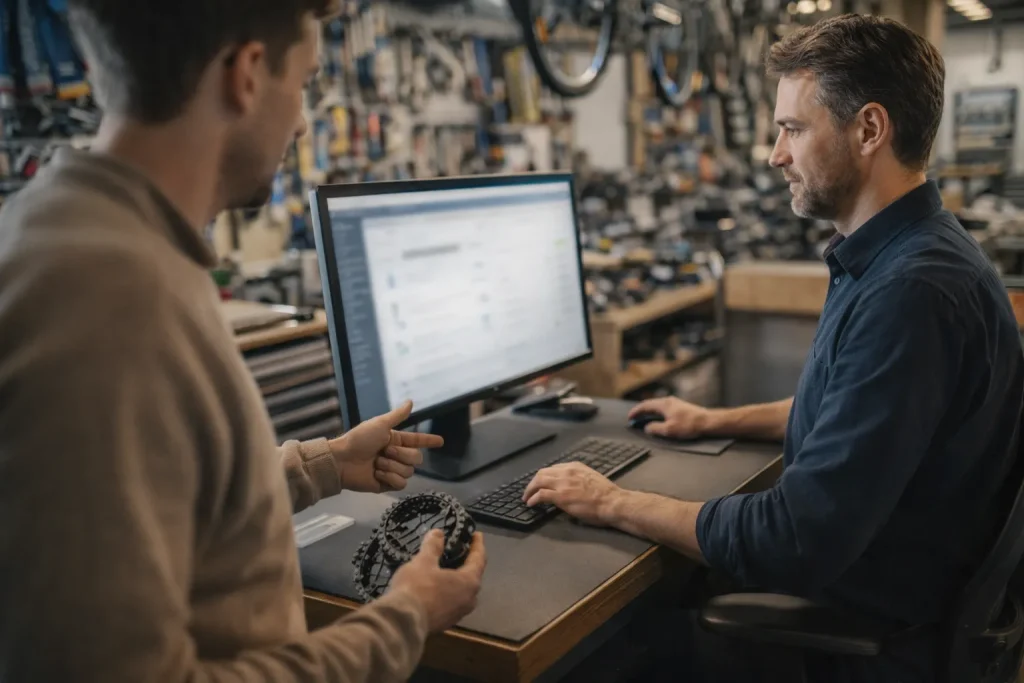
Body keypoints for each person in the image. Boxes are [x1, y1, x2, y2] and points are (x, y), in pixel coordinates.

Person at [524, 14, 1024, 683]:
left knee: (600, 647)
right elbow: (856, 414)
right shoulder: (912, 254)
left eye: (793, 128)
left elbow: (793, 538)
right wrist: (713, 419)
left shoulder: (912, 294)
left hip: (871, 637)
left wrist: (611, 500)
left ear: (869, 129)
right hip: (895, 597)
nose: (775, 154)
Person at [0, 1, 486, 681]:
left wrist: (325, 464)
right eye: (306, 82)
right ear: (247, 75)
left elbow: (177, 507)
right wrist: (404, 617)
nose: (304, 121)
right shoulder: (107, 301)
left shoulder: (102, 238)